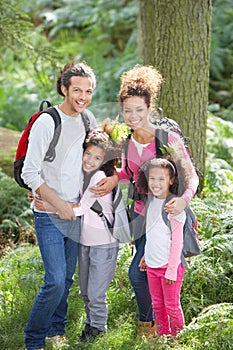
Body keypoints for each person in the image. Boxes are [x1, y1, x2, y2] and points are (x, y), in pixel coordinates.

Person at [92, 65, 199, 338]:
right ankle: (156, 328)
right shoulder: (127, 142)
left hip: (167, 218)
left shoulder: (167, 138)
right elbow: (131, 173)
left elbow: (191, 176)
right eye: (127, 110)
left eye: (139, 110)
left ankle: (152, 326)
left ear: (150, 108)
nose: (133, 116)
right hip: (141, 218)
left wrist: (184, 202)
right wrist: (116, 179)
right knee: (146, 273)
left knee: (140, 274)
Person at [21, 62, 117, 350]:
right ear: (64, 89)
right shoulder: (47, 121)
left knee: (68, 277)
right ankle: (34, 340)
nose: (83, 96)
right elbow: (29, 172)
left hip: (76, 215)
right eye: (77, 90)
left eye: (88, 91)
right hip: (50, 215)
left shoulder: (88, 119)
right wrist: (56, 202)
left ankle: (56, 330)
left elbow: (100, 157)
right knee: (55, 280)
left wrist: (112, 180)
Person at [34, 129, 121, 342]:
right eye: (88, 154)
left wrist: (49, 206)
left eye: (97, 157)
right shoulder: (83, 174)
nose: (90, 160)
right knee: (85, 292)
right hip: (86, 242)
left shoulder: (99, 177)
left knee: (95, 294)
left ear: (105, 161)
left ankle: (98, 330)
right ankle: (90, 327)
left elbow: (81, 208)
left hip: (104, 244)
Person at [138, 157, 186, 336]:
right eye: (152, 178)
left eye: (161, 179)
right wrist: (145, 255)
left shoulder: (174, 206)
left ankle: (178, 340)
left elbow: (178, 241)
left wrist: (172, 269)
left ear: (171, 180)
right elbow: (152, 234)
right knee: (157, 305)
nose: (156, 183)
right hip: (152, 265)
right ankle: (163, 338)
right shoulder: (150, 202)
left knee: (172, 306)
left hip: (169, 267)